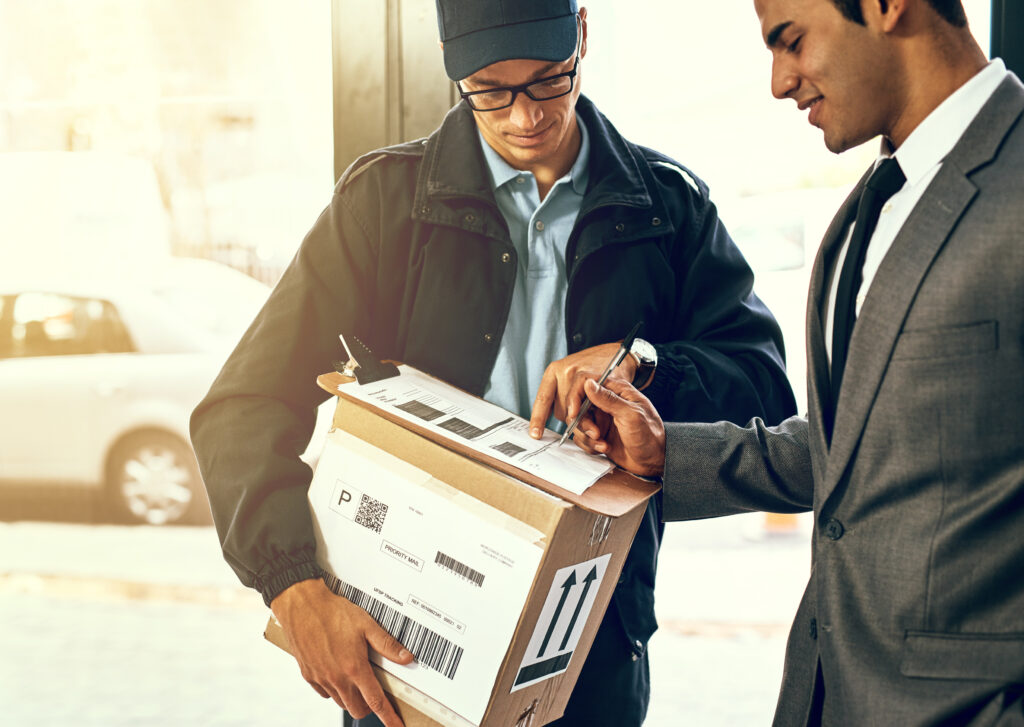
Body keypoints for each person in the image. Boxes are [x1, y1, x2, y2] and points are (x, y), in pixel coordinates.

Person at [190, 1, 796, 725]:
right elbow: (243, 405)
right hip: (404, 645)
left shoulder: (667, 208)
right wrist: (292, 585)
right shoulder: (383, 203)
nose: (524, 117)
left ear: (582, 35)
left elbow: (764, 388)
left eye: (547, 81)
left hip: (589, 651)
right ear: (452, 64)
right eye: (489, 89)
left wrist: (647, 366)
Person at [574, 0, 1024, 724]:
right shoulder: (862, 214)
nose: (780, 82)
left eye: (790, 41)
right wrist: (665, 454)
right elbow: (845, 456)